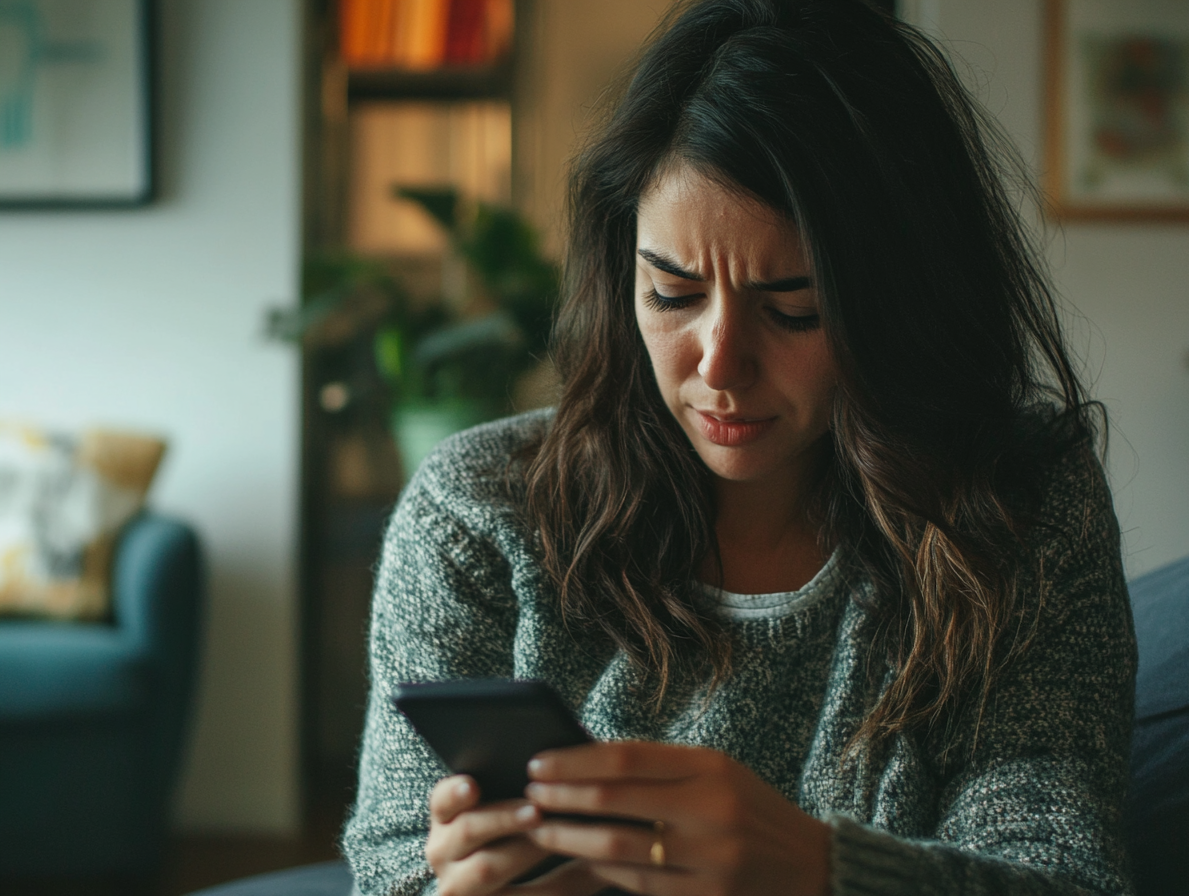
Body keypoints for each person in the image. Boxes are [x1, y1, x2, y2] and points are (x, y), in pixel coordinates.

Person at [342, 0, 1136, 893]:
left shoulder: (1018, 505)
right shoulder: (477, 513)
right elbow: (395, 864)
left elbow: (1063, 876)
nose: (719, 366)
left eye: (794, 308)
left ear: (904, 303)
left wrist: (812, 868)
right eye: (672, 295)